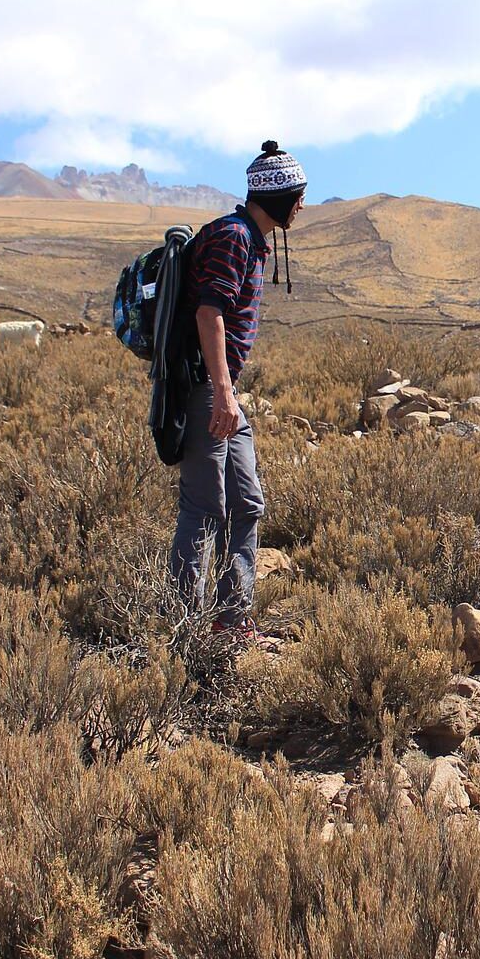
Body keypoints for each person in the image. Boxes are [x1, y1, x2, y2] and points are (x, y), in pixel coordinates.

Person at [168, 140, 305, 640]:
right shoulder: (234, 237)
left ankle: (232, 615)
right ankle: (184, 627)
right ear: (279, 195)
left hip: (221, 390)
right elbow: (209, 313)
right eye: (297, 195)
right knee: (205, 507)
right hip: (206, 388)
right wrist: (223, 393)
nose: (301, 205)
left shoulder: (251, 236)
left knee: (246, 501)